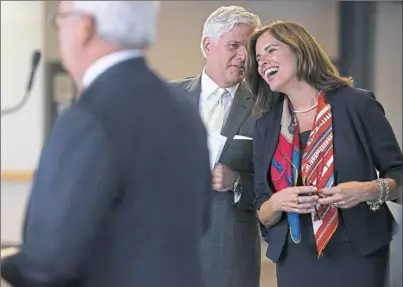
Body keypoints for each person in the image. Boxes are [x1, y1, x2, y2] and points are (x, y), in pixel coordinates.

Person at [1, 1, 212, 287]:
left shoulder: (90, 115)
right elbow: (200, 220)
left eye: (61, 19)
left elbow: (47, 261)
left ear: (85, 27)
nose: (60, 30)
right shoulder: (182, 108)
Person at [246, 20, 402, 287]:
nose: (262, 62)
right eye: (258, 58)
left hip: (357, 252)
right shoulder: (266, 125)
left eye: (271, 50)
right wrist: (278, 202)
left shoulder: (357, 104)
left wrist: (366, 190)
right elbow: (262, 209)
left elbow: (398, 173)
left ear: (299, 49)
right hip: (295, 256)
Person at [171, 6, 262, 287]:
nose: (243, 56)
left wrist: (236, 180)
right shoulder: (166, 98)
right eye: (234, 45)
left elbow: (274, 182)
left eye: (248, 48)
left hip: (230, 253)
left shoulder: (266, 108)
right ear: (207, 45)